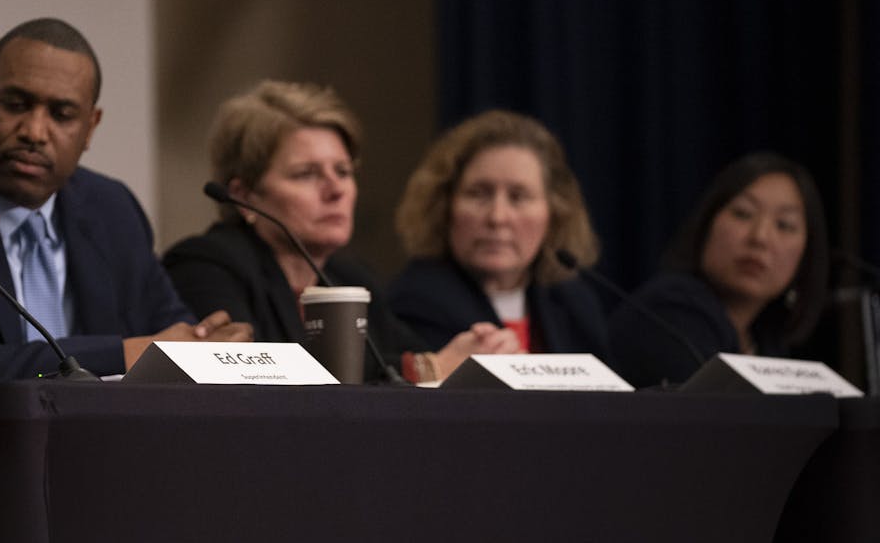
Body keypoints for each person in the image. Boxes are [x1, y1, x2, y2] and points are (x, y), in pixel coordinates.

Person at [0, 17, 251, 380]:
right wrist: (120, 355)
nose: (35, 131)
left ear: (91, 127)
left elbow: (170, 331)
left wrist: (209, 345)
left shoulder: (112, 208)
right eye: (17, 104)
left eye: (62, 115)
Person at [162, 80, 519, 384]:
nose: (337, 190)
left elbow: (408, 356)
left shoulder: (348, 277)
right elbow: (266, 374)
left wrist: (475, 350)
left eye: (343, 171)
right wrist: (428, 368)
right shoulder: (207, 265)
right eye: (306, 173)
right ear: (243, 196)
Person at [386, 108, 609, 360]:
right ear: (444, 206)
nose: (497, 217)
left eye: (518, 197)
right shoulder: (418, 301)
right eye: (478, 194)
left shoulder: (573, 303)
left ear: (554, 212)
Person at [607, 152, 829, 388]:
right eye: (743, 213)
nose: (760, 237)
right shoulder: (668, 313)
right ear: (706, 223)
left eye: (784, 225)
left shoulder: (766, 339)